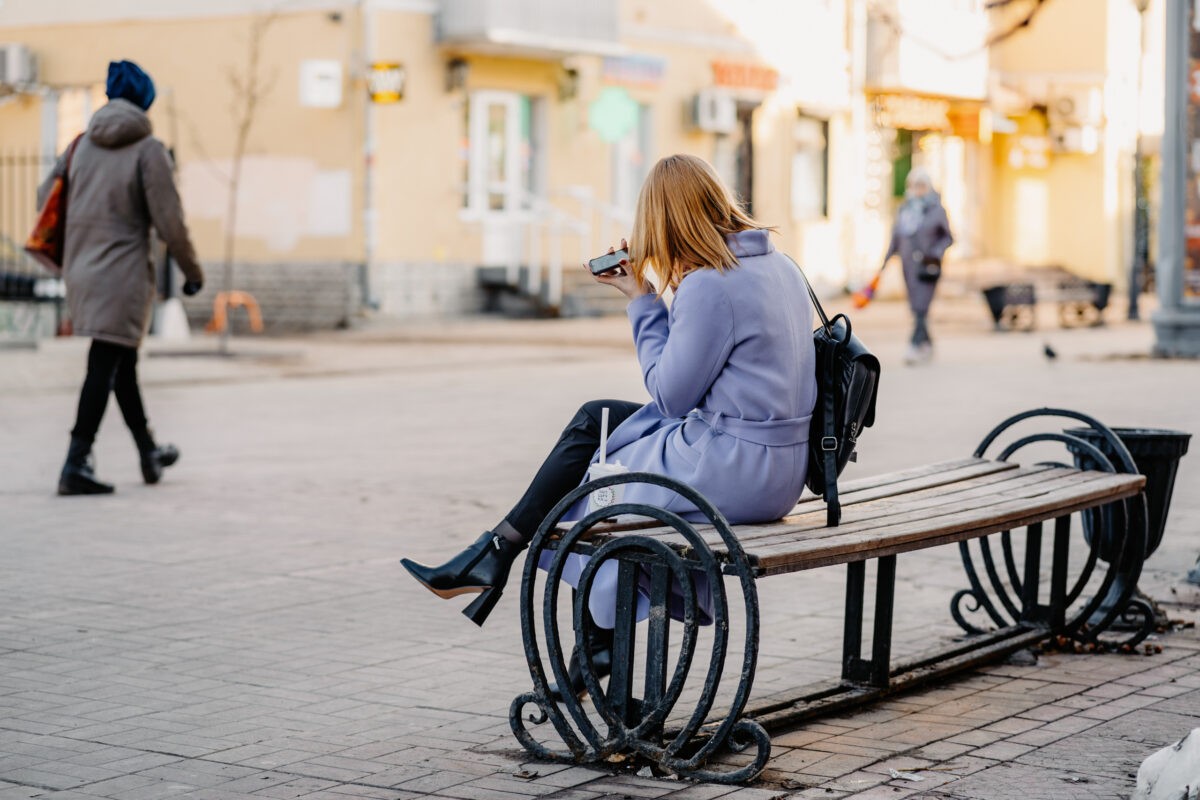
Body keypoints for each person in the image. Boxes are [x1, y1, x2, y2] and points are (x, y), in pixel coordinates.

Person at [401, 154, 817, 695]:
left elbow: (669, 396)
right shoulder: (779, 265)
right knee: (594, 423)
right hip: (780, 467)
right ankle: (504, 562)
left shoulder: (711, 285)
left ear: (666, 221)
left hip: (736, 466)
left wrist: (643, 301)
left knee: (598, 482)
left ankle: (567, 621)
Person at [39, 60, 205, 496]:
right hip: (124, 276)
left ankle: (148, 452)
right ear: (144, 99)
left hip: (81, 272)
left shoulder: (79, 145)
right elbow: (171, 221)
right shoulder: (148, 149)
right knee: (104, 362)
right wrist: (191, 272)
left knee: (121, 365)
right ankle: (75, 462)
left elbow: (44, 198)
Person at [882, 167, 953, 365]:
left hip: (928, 267)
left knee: (921, 306)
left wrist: (935, 252)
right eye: (914, 185)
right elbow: (895, 238)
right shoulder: (904, 210)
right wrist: (884, 263)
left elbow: (948, 237)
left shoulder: (937, 210)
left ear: (929, 187)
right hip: (908, 267)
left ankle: (913, 346)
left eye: (921, 185)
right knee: (916, 307)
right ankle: (927, 344)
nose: (917, 189)